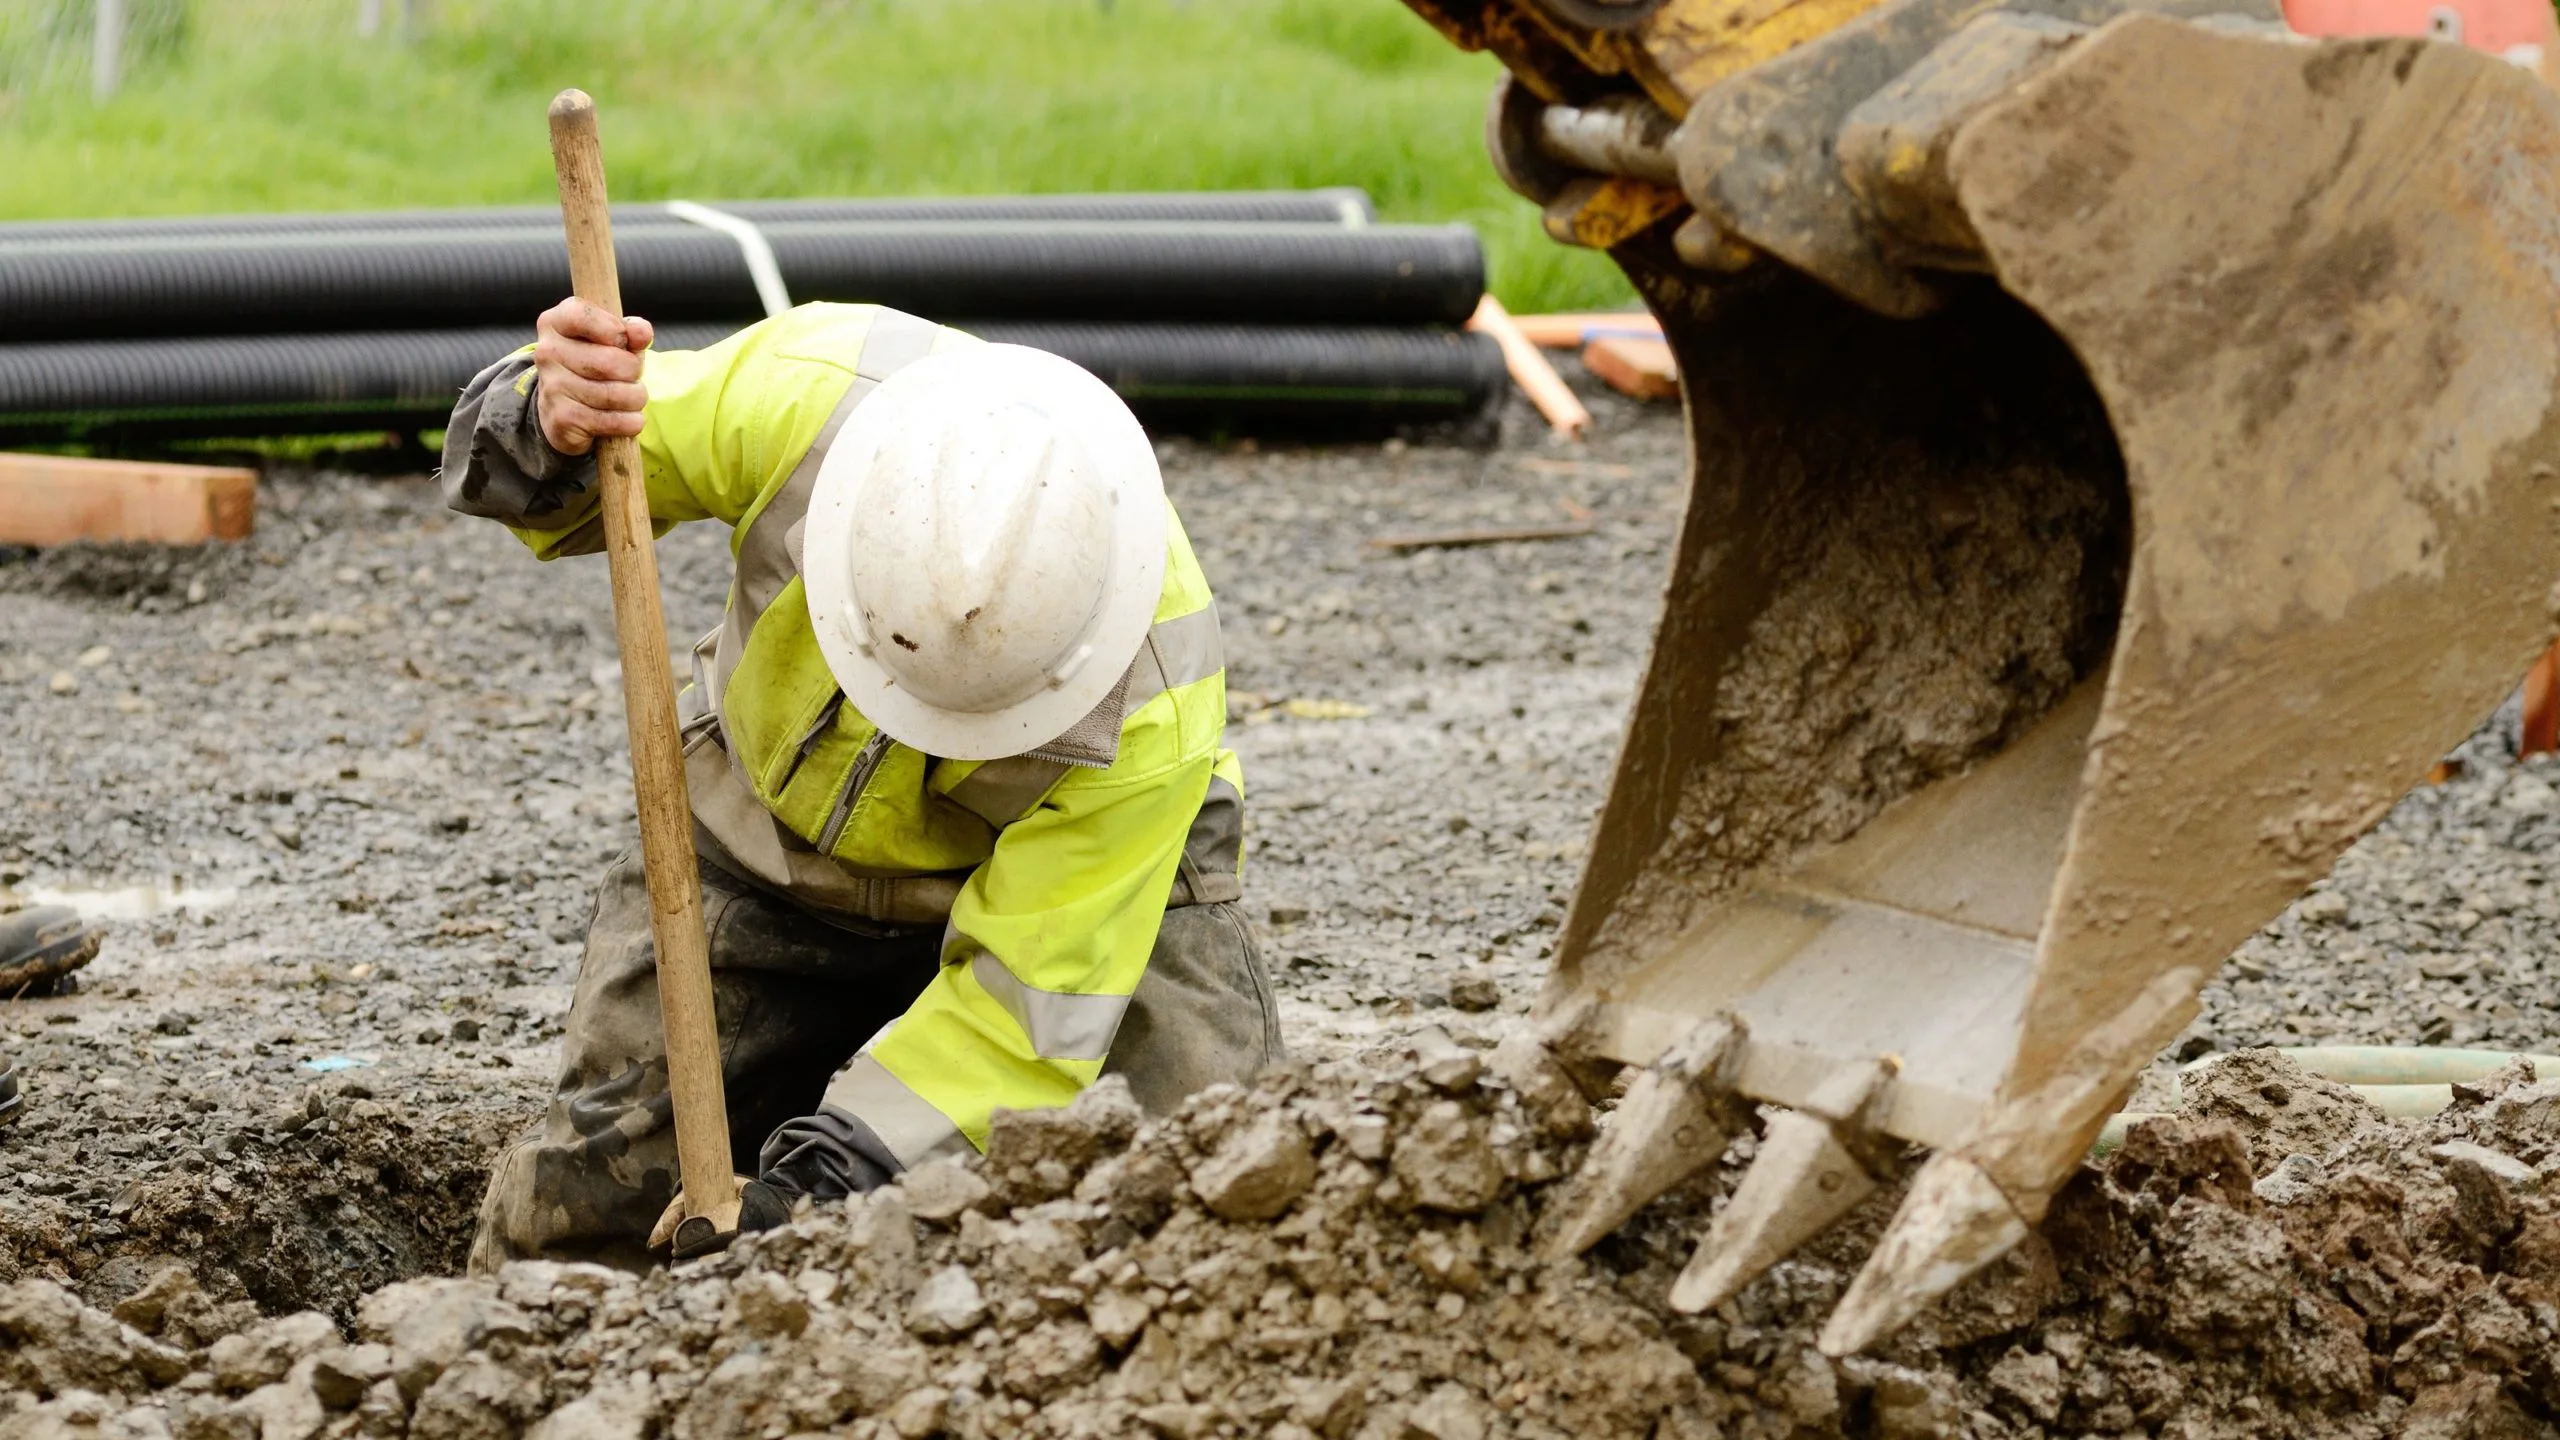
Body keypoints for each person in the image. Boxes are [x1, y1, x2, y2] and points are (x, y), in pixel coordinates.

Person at [442, 298, 1279, 1270]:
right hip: (762, 844)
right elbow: (585, 460)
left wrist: (811, 1192)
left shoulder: (1153, 707)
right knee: (583, 1224)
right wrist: (548, 421)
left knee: (1201, 1210)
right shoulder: (807, 400)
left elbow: (1025, 1024)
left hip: (1089, 910)